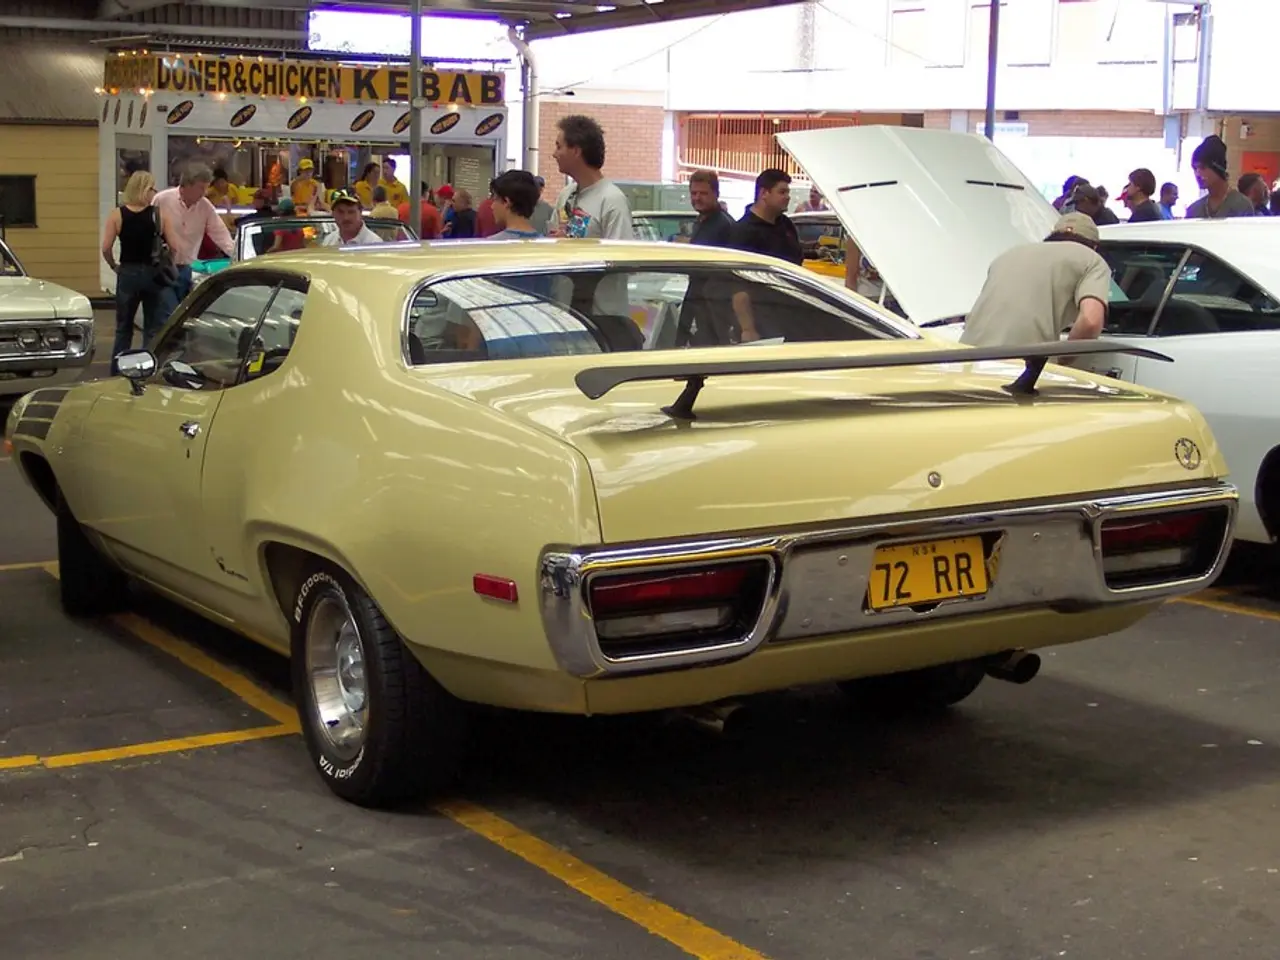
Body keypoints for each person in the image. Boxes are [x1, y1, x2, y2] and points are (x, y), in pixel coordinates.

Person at [959, 212, 1110, 349]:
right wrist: (1064, 356)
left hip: (966, 356)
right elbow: (1091, 321)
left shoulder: (1009, 254)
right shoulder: (1091, 260)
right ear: (1094, 246)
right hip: (1020, 362)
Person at [100, 170, 183, 369]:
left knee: (124, 328)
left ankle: (117, 370)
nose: (154, 192)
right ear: (145, 190)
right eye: (152, 188)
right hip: (153, 274)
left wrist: (113, 265)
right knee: (152, 329)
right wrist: (168, 261)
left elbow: (106, 247)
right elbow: (175, 246)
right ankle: (146, 370)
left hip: (127, 273)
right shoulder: (159, 215)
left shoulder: (117, 214)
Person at [153, 163, 235, 319]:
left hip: (187, 269)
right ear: (187, 185)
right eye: (200, 188)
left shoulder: (205, 207)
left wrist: (237, 255)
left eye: (206, 188)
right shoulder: (162, 200)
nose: (204, 193)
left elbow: (220, 234)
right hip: (162, 269)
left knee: (182, 318)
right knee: (166, 316)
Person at [548, 114, 633, 239]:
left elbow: (619, 254)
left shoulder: (612, 201)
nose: (554, 154)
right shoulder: (566, 195)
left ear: (576, 151)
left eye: (559, 147)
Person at [726, 168, 803, 265]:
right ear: (763, 193)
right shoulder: (742, 232)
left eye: (788, 192)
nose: (788, 197)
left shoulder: (786, 224)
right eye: (782, 192)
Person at [1186, 135, 1254, 219]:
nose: (1197, 174)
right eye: (1195, 168)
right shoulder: (1194, 210)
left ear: (1217, 168)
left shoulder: (1241, 206)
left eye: (1203, 167)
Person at [487, 170, 543, 240]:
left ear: (506, 202)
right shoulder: (547, 245)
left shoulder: (492, 245)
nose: (492, 206)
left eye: (495, 199)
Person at [687, 169, 734, 247]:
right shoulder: (700, 221)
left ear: (716, 194)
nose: (697, 198)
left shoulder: (726, 227)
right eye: (694, 193)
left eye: (703, 193)